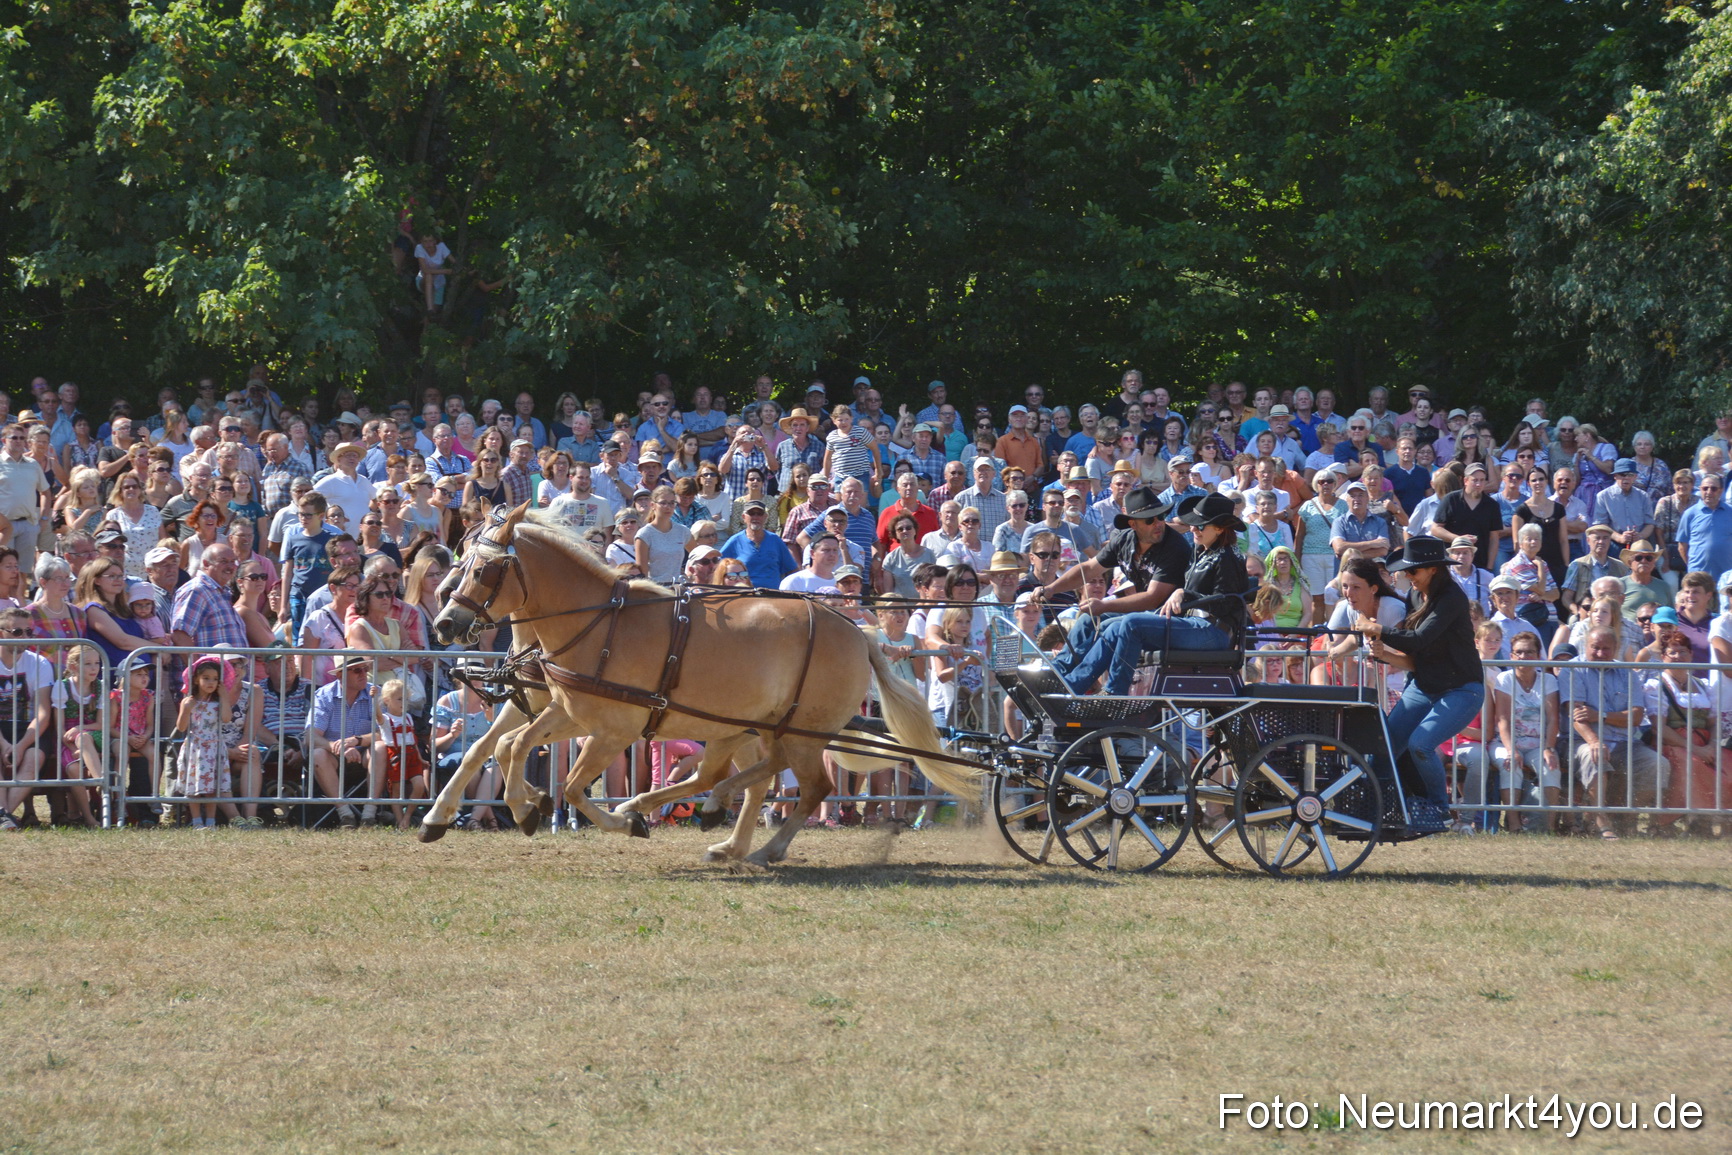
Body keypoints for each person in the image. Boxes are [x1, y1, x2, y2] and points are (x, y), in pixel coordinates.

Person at [1043, 490, 1244, 696]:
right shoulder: (1202, 552)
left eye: (1200, 525)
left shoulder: (1228, 557)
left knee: (1131, 624)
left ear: (1219, 529)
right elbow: (1088, 568)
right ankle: (1066, 684)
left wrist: (1185, 594)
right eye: (1193, 524)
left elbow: (1226, 602)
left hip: (1213, 631)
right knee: (1109, 626)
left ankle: (1114, 693)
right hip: (1191, 624)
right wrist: (1050, 589)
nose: (1192, 529)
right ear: (1132, 524)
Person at [1357, 536, 1482, 824]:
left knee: (1420, 744)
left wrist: (1376, 628)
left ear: (1434, 570)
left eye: (1413, 571)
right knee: (1385, 745)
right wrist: (1385, 654)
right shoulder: (1415, 597)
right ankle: (1382, 804)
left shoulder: (1452, 598)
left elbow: (1420, 639)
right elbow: (1418, 656)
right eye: (1405, 571)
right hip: (1424, 684)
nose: (1407, 576)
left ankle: (1440, 809)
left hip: (1461, 690)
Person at [1561, 625, 1662, 839]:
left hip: (1625, 743)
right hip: (1582, 740)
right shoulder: (1572, 669)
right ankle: (1600, 821)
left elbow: (1635, 716)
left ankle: (1624, 816)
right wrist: (1594, 740)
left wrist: (1600, 715)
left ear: (1616, 648)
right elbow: (1575, 714)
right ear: (1585, 646)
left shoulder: (1627, 672)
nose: (1600, 653)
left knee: (1657, 764)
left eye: (1606, 649)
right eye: (1595, 647)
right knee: (1594, 755)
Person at [1492, 631, 1562, 834]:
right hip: (1505, 741)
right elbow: (1502, 719)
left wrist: (1549, 748)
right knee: (1510, 764)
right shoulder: (1504, 679)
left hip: (1539, 743)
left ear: (1538, 655)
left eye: (1529, 652)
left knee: (1551, 767)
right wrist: (1510, 749)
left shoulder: (1548, 681)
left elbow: (1553, 719)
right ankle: (1513, 824)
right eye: (1519, 652)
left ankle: (1549, 826)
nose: (1523, 657)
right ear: (1512, 655)